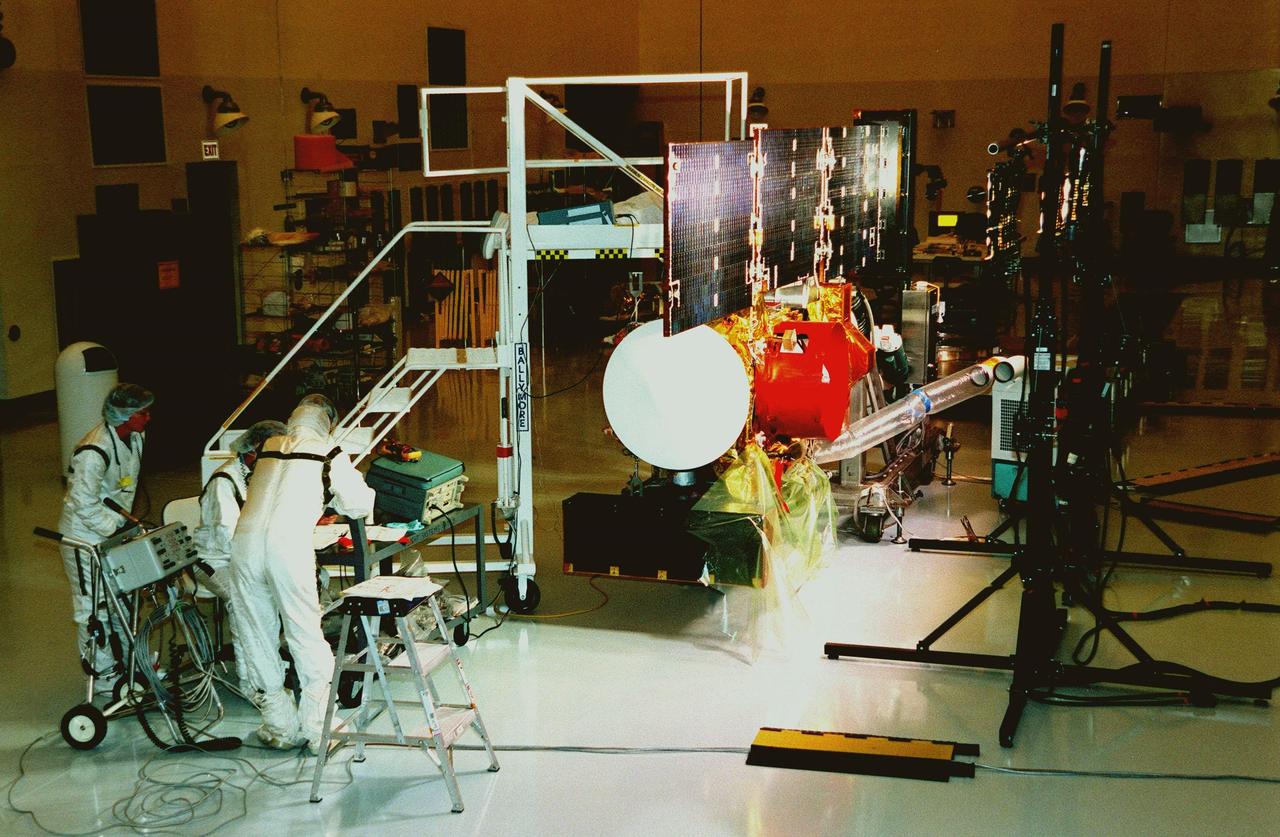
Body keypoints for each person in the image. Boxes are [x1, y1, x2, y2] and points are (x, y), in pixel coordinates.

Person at [229, 394, 375, 751]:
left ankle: (279, 726)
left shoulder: (269, 445)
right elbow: (359, 503)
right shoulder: (329, 450)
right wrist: (334, 499)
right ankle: (317, 730)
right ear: (327, 423)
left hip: (244, 546)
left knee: (258, 634)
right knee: (304, 632)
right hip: (286, 548)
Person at [58, 383, 154, 693]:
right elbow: (82, 503)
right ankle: (103, 676)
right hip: (84, 537)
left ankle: (133, 664)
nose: (149, 417)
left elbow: (124, 487)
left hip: (113, 531)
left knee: (122, 602)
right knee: (93, 608)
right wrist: (113, 528)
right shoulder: (93, 452)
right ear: (126, 417)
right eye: (143, 413)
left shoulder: (135, 437)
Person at [191, 419, 287, 683]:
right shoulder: (224, 482)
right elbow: (227, 537)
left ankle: (274, 663)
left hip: (250, 557)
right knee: (247, 603)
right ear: (252, 451)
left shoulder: (261, 476)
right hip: (215, 561)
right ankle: (253, 682)